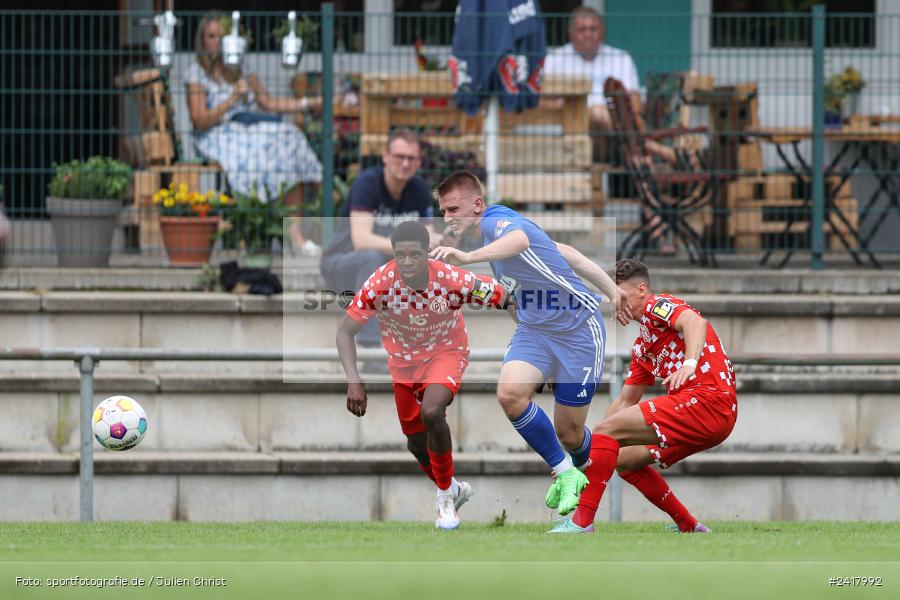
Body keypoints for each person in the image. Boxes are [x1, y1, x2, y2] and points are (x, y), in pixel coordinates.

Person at [430, 171, 632, 516]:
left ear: (478, 205)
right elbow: (566, 253)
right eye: (443, 212)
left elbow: (521, 241)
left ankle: (587, 468)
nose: (448, 219)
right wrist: (613, 290)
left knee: (569, 432)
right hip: (537, 331)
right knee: (510, 394)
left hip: (579, 330)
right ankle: (565, 472)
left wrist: (465, 258)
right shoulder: (497, 234)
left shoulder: (497, 224)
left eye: (453, 209)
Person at [335, 221, 509, 530]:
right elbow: (345, 333)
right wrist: (353, 380)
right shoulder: (381, 282)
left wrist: (529, 340)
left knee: (432, 411)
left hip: (446, 352)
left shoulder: (449, 277)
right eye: (401, 255)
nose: (407, 262)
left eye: (415, 255)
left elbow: (503, 296)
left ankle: (444, 501)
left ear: (427, 253)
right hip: (403, 364)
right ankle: (453, 488)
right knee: (416, 445)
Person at [549, 258, 736, 533]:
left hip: (708, 401)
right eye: (609, 294)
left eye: (618, 293)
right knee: (623, 459)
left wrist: (689, 364)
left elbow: (695, 322)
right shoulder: (643, 345)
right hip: (709, 417)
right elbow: (625, 401)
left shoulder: (656, 305)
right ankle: (689, 525)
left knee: (606, 432)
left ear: (641, 289)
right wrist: (587, 455)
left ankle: (582, 523)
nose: (614, 301)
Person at [185, 12, 323, 255]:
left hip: (251, 127)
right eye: (211, 36)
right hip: (216, 133)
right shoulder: (195, 73)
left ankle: (293, 231)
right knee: (262, 147)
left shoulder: (242, 66)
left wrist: (306, 104)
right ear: (203, 41)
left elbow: (268, 102)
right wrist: (231, 99)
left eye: (222, 36)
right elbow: (199, 121)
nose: (217, 42)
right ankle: (263, 228)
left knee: (290, 135)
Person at [322, 129, 439, 350]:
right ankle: (370, 344)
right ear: (385, 156)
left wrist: (440, 242)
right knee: (372, 257)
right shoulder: (367, 184)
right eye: (399, 157)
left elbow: (428, 237)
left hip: (388, 271)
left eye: (411, 158)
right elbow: (362, 240)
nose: (405, 163)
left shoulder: (420, 189)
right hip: (342, 265)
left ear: (418, 162)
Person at [542, 6, 641, 160]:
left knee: (601, 116)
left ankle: (632, 150)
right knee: (596, 114)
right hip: (569, 130)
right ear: (571, 33)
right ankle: (638, 151)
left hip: (614, 134)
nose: (588, 34)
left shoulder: (621, 58)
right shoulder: (555, 59)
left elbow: (634, 100)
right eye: (582, 30)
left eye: (593, 29)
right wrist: (580, 110)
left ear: (602, 32)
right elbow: (540, 102)